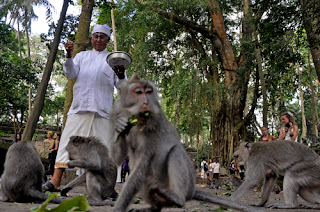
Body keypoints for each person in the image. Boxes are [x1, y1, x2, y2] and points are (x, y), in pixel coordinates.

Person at [42, 24, 127, 192]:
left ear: (108, 40)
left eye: (102, 37)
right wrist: (68, 55)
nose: (98, 39)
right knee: (68, 144)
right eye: (95, 36)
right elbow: (70, 73)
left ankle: (110, 187)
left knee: (107, 151)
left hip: (102, 112)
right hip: (79, 108)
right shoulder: (81, 56)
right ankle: (55, 181)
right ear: (91, 38)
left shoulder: (114, 60)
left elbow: (123, 88)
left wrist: (121, 75)